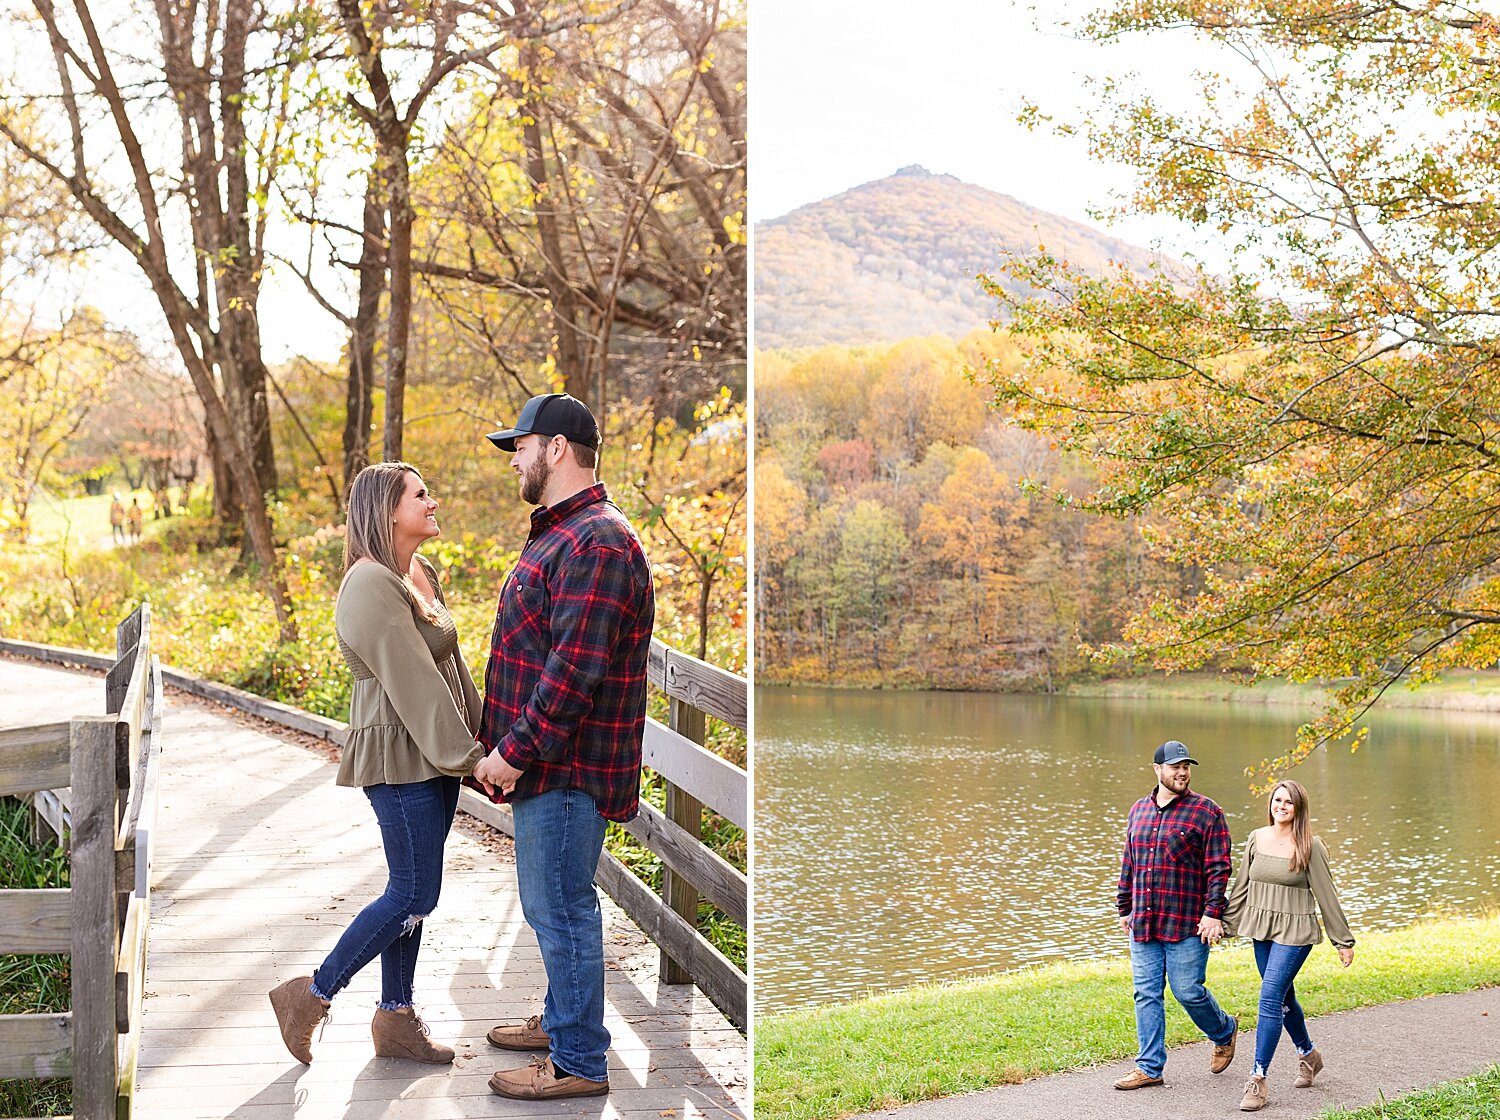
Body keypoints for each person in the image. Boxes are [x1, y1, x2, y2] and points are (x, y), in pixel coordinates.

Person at [268, 461, 486, 1068]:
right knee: (414, 890)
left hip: (431, 749)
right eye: (421, 494)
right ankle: (309, 994)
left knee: (414, 889)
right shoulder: (368, 583)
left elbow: (448, 665)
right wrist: (469, 755)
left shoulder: (420, 571)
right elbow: (411, 680)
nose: (433, 500)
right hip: (396, 752)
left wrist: (479, 733)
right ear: (389, 508)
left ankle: (395, 1018)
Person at [472, 392, 655, 1102]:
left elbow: (573, 672)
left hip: (565, 768)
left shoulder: (599, 542)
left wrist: (512, 753)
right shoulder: (562, 533)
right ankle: (560, 1021)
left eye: (522, 444)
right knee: (552, 904)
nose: (514, 457)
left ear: (557, 449)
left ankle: (578, 1060)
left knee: (562, 907)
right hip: (547, 766)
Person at [1114, 739, 1240, 1090]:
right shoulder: (1138, 810)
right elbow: (1130, 861)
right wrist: (1124, 906)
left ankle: (1224, 1030)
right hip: (1144, 919)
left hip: (1187, 921)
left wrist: (1213, 914)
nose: (1182, 772)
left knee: (1187, 991)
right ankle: (1149, 1067)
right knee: (1146, 993)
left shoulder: (1207, 811)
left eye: (1186, 766)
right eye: (1175, 766)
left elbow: (1219, 868)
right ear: (1158, 770)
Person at [1223, 779, 1355, 1112]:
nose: (1281, 806)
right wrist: (1225, 923)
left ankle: (1258, 1078)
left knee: (1269, 998)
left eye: (1288, 802)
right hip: (1262, 929)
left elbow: (1327, 895)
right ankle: (1309, 1055)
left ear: (1299, 809)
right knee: (1283, 997)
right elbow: (1241, 887)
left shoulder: (1311, 845)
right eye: (1277, 800)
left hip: (1295, 931)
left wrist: (1342, 941)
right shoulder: (1256, 838)